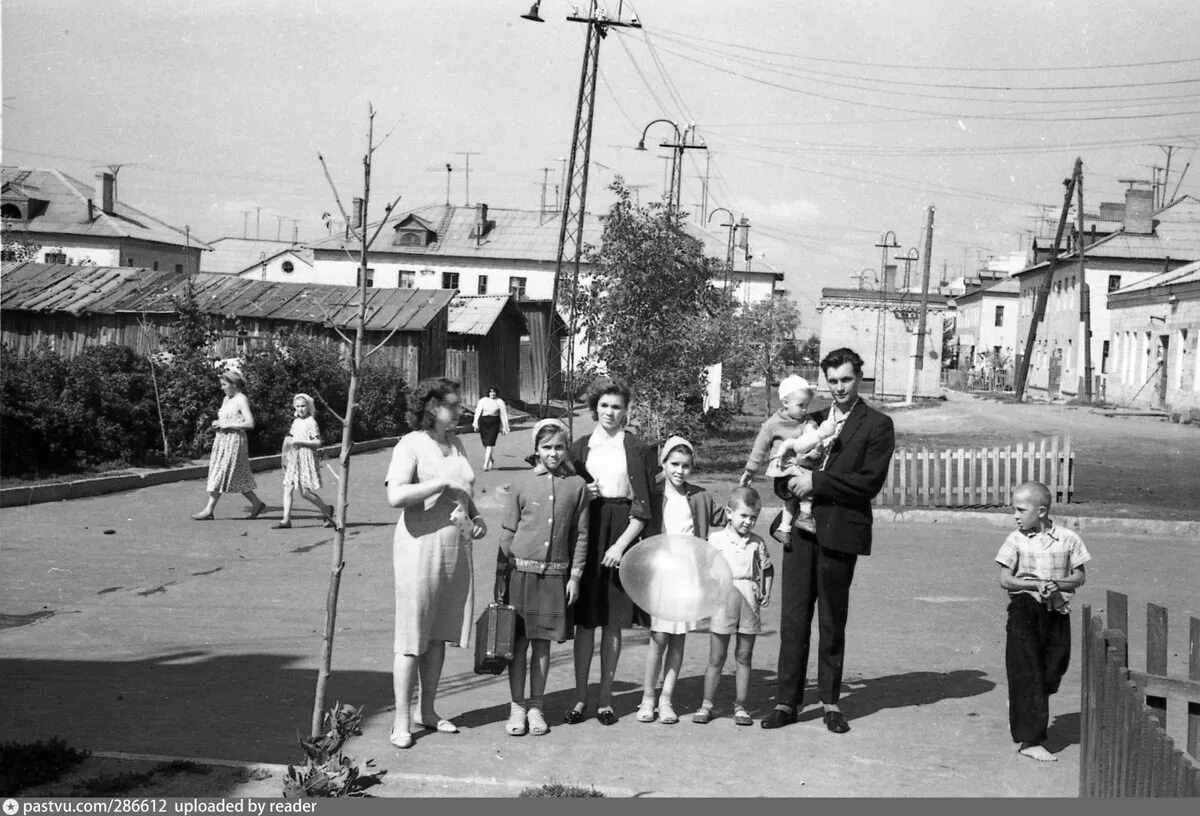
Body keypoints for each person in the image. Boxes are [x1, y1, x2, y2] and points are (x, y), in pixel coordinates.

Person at [763, 347, 895, 733]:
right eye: (833, 381)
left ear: (859, 378)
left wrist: (816, 481)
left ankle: (831, 702)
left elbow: (869, 482)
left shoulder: (877, 425)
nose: (839, 387)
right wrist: (790, 480)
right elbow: (779, 470)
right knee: (793, 619)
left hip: (839, 530)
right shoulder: (810, 419)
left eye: (846, 379)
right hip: (800, 533)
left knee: (832, 620)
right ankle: (786, 701)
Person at [384, 377, 487, 750]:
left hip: (454, 547)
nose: (461, 410)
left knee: (438, 631)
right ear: (432, 407)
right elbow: (395, 495)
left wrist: (476, 518)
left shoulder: (456, 442)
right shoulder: (410, 444)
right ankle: (400, 719)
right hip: (419, 547)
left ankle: (427, 710)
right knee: (412, 635)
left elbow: (464, 489)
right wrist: (437, 483)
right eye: (455, 405)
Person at [563, 377, 657, 727]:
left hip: (622, 531)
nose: (610, 412)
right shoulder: (580, 447)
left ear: (625, 411)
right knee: (587, 621)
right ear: (594, 408)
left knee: (612, 622)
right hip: (588, 530)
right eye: (604, 405)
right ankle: (579, 697)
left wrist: (621, 545)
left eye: (617, 406)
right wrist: (580, 489)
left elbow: (644, 507)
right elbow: (558, 482)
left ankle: (605, 699)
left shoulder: (637, 447)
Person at [495, 419, 591, 738]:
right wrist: (501, 577)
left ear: (567, 449)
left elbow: (581, 535)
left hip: (555, 578)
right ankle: (517, 706)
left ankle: (536, 706)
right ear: (536, 449)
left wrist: (574, 576)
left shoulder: (577, 486)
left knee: (543, 645)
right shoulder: (521, 483)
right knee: (518, 644)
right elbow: (508, 533)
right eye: (546, 447)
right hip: (520, 574)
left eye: (559, 447)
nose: (553, 453)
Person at [996, 481, 1090, 762]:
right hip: (1024, 610)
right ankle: (1031, 740)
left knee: (1053, 669)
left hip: (1058, 611)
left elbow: (1079, 576)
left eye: (1020, 509)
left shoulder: (1068, 538)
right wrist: (1035, 585)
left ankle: (1024, 700)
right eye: (1015, 509)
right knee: (1029, 672)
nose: (1015, 515)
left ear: (1041, 511)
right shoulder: (1015, 539)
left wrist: (1054, 583)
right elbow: (1005, 579)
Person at [636, 435, 725, 726]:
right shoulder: (653, 492)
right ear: (664, 463)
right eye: (674, 463)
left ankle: (667, 699)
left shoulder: (699, 496)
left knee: (677, 639)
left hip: (688, 576)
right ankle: (648, 697)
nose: (680, 471)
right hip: (661, 574)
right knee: (659, 637)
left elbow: (727, 518)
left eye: (686, 465)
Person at [693, 486, 773, 726]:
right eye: (743, 516)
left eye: (753, 518)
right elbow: (705, 569)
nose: (748, 522)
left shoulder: (757, 543)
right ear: (729, 513)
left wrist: (766, 590)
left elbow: (767, 568)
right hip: (723, 601)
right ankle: (707, 704)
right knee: (716, 656)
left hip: (748, 600)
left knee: (744, 655)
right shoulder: (716, 539)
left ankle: (741, 706)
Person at [739, 375, 832, 542]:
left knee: (791, 499)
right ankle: (805, 516)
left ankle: (783, 529)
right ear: (785, 403)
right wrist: (750, 470)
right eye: (800, 405)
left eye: (807, 405)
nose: (804, 410)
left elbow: (813, 436)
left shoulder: (806, 420)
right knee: (805, 490)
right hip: (783, 468)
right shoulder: (773, 424)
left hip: (801, 464)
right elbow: (759, 448)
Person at [192, 368, 267, 521]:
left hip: (234, 441)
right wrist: (218, 423)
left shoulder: (241, 398)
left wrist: (228, 426)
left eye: (224, 384)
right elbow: (226, 418)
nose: (222, 388)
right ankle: (257, 503)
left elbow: (250, 423)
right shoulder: (227, 399)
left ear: (233, 384)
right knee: (233, 475)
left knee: (221, 473)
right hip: (222, 441)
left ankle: (209, 510)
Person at [273, 393, 335, 530]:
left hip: (306, 457)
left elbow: (318, 442)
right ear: (294, 407)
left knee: (305, 492)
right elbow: (291, 439)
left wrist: (300, 441)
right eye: (298, 406)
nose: (300, 409)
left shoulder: (311, 422)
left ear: (308, 406)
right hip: (294, 458)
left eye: (303, 406)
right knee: (287, 488)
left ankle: (326, 509)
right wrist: (286, 454)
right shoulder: (296, 422)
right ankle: (286, 520)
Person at [472, 386, 510, 472]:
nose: (492, 394)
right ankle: (490, 459)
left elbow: (503, 415)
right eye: (491, 392)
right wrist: (475, 424)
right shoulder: (483, 400)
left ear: (496, 393)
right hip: (484, 423)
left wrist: (504, 427)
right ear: (488, 393)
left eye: (494, 392)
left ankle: (485, 464)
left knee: (490, 443)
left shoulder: (500, 402)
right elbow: (477, 412)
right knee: (485, 444)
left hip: (494, 423)